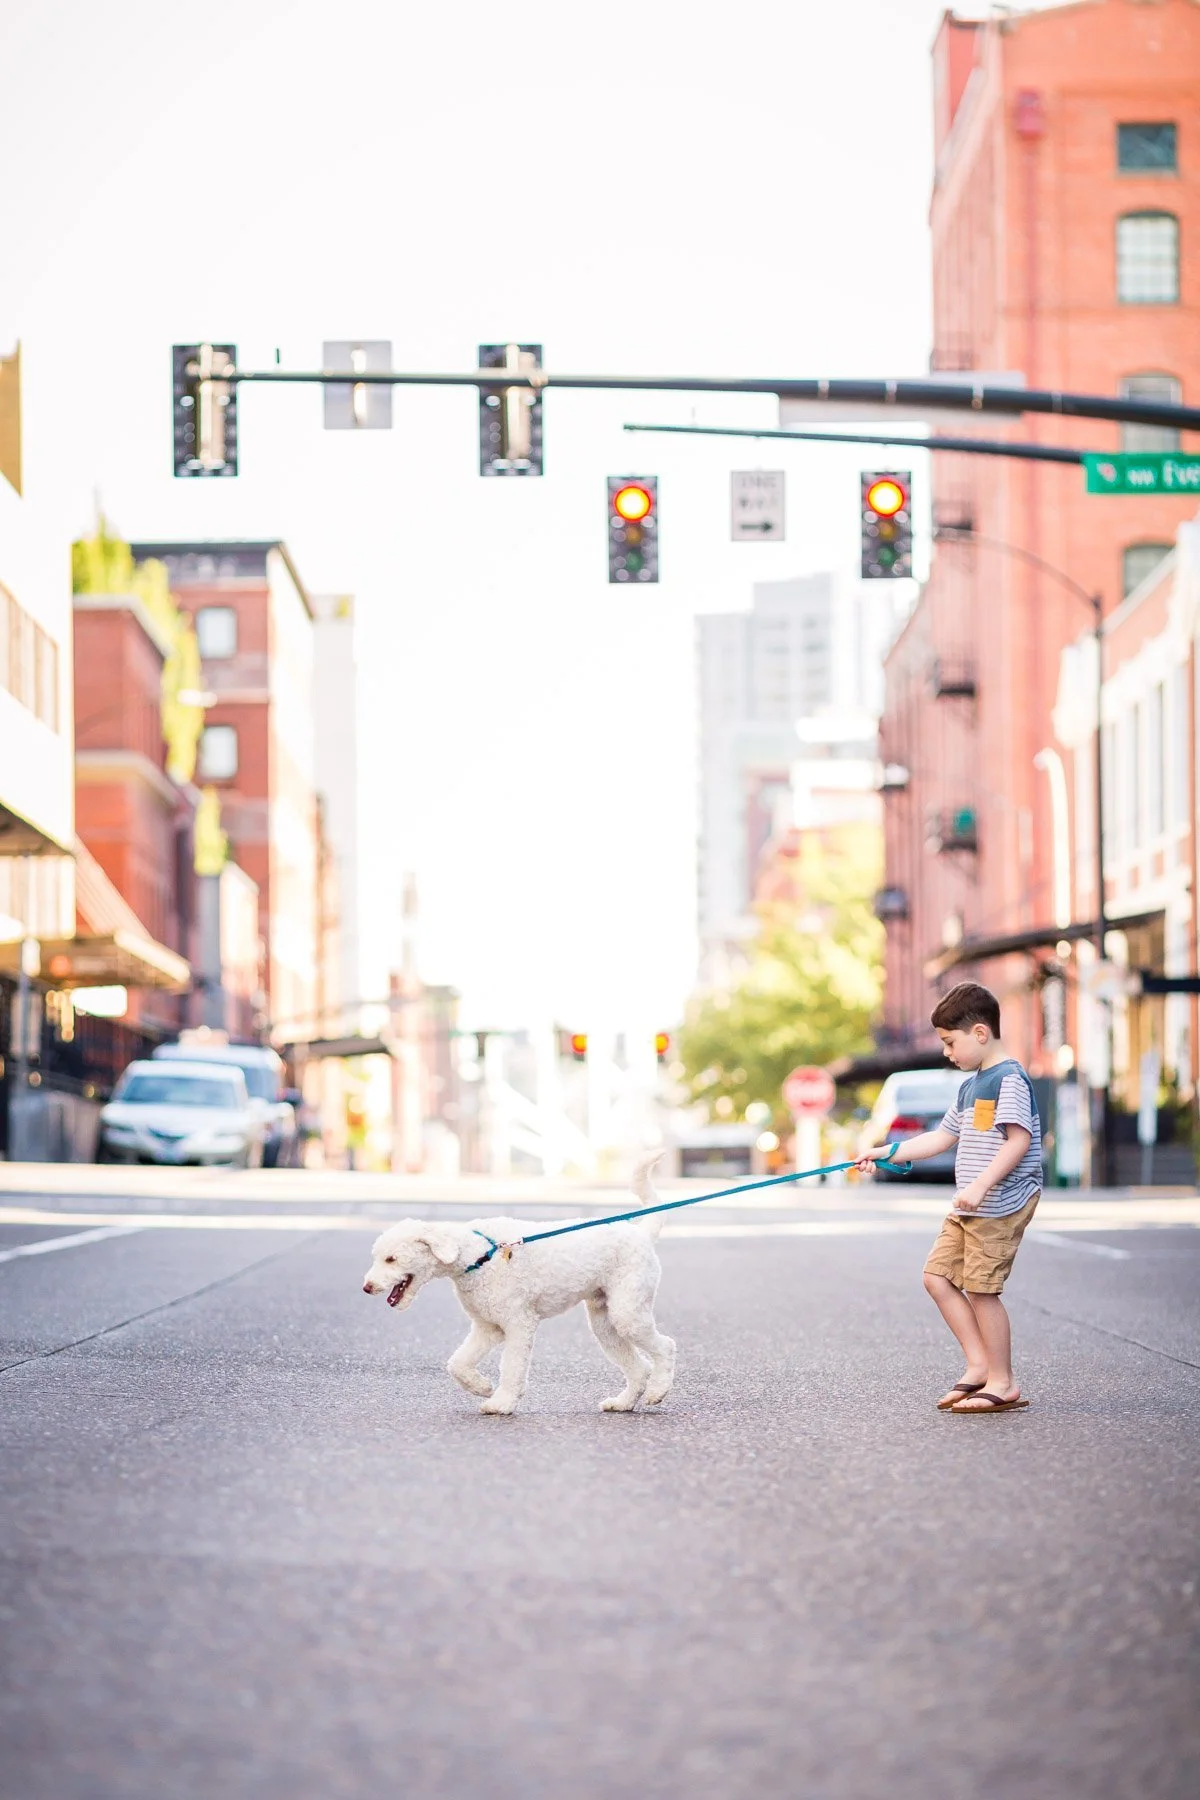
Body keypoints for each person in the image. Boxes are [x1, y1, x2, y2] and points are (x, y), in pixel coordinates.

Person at [859, 981, 1042, 1414]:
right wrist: (886, 1153)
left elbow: (1018, 1141)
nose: (946, 1052)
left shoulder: (1010, 1079)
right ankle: (979, 1365)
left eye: (949, 1042)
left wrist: (980, 1185)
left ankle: (1004, 1381)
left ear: (980, 1033)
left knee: (981, 1289)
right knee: (937, 1277)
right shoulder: (970, 1086)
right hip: (970, 1205)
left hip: (999, 1203)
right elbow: (944, 1137)